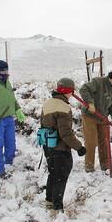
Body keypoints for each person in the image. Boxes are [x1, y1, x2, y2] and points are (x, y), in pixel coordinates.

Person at [40, 78, 86, 213]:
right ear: (67, 91)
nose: (72, 94)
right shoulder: (64, 108)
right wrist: (79, 147)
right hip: (60, 148)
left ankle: (49, 201)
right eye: (71, 91)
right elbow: (65, 133)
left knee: (53, 173)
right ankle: (57, 207)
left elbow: (42, 124)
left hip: (47, 144)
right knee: (61, 176)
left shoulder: (47, 103)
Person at [79, 68, 112, 172]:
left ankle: (105, 164)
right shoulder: (98, 82)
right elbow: (83, 89)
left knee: (104, 141)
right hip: (90, 115)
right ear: (111, 76)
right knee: (91, 141)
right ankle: (89, 165)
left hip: (103, 117)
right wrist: (90, 103)